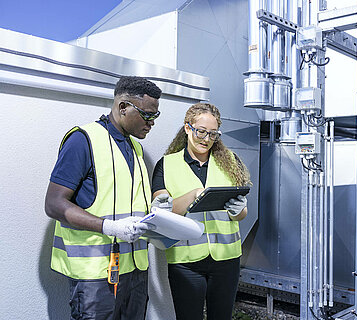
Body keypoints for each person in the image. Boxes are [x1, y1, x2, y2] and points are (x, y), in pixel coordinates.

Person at [45, 76, 162, 320]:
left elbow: (123, 202)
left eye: (155, 117)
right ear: (123, 107)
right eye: (147, 115)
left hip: (135, 270)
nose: (151, 123)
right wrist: (108, 226)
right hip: (95, 275)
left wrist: (156, 210)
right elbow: (54, 204)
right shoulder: (83, 140)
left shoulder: (135, 148)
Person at [151, 102, 251, 320]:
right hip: (185, 263)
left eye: (213, 134)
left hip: (227, 259)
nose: (206, 139)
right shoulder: (166, 165)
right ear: (187, 128)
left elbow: (241, 214)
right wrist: (194, 194)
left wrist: (239, 210)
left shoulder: (231, 162)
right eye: (201, 132)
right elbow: (161, 213)